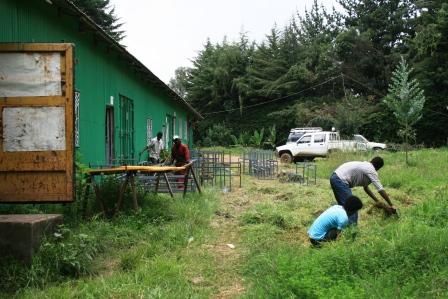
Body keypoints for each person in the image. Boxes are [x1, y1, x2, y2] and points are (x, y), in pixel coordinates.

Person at [330, 156, 396, 224]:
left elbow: (366, 188)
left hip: (335, 177)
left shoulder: (366, 166)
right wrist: (391, 205)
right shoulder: (371, 170)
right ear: (378, 168)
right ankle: (352, 230)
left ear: (371, 161)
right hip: (340, 180)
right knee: (352, 206)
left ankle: (338, 224)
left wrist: (378, 201)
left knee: (344, 207)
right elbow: (380, 189)